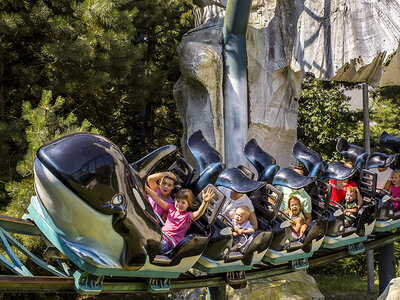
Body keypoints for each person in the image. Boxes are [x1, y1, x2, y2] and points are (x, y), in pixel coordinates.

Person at [145, 185, 215, 254]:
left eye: (183, 203)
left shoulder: (187, 216)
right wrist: (144, 186)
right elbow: (157, 198)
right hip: (160, 235)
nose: (179, 204)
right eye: (178, 201)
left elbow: (198, 214)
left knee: (151, 250)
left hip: (169, 242)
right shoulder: (171, 208)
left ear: (188, 204)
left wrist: (205, 202)